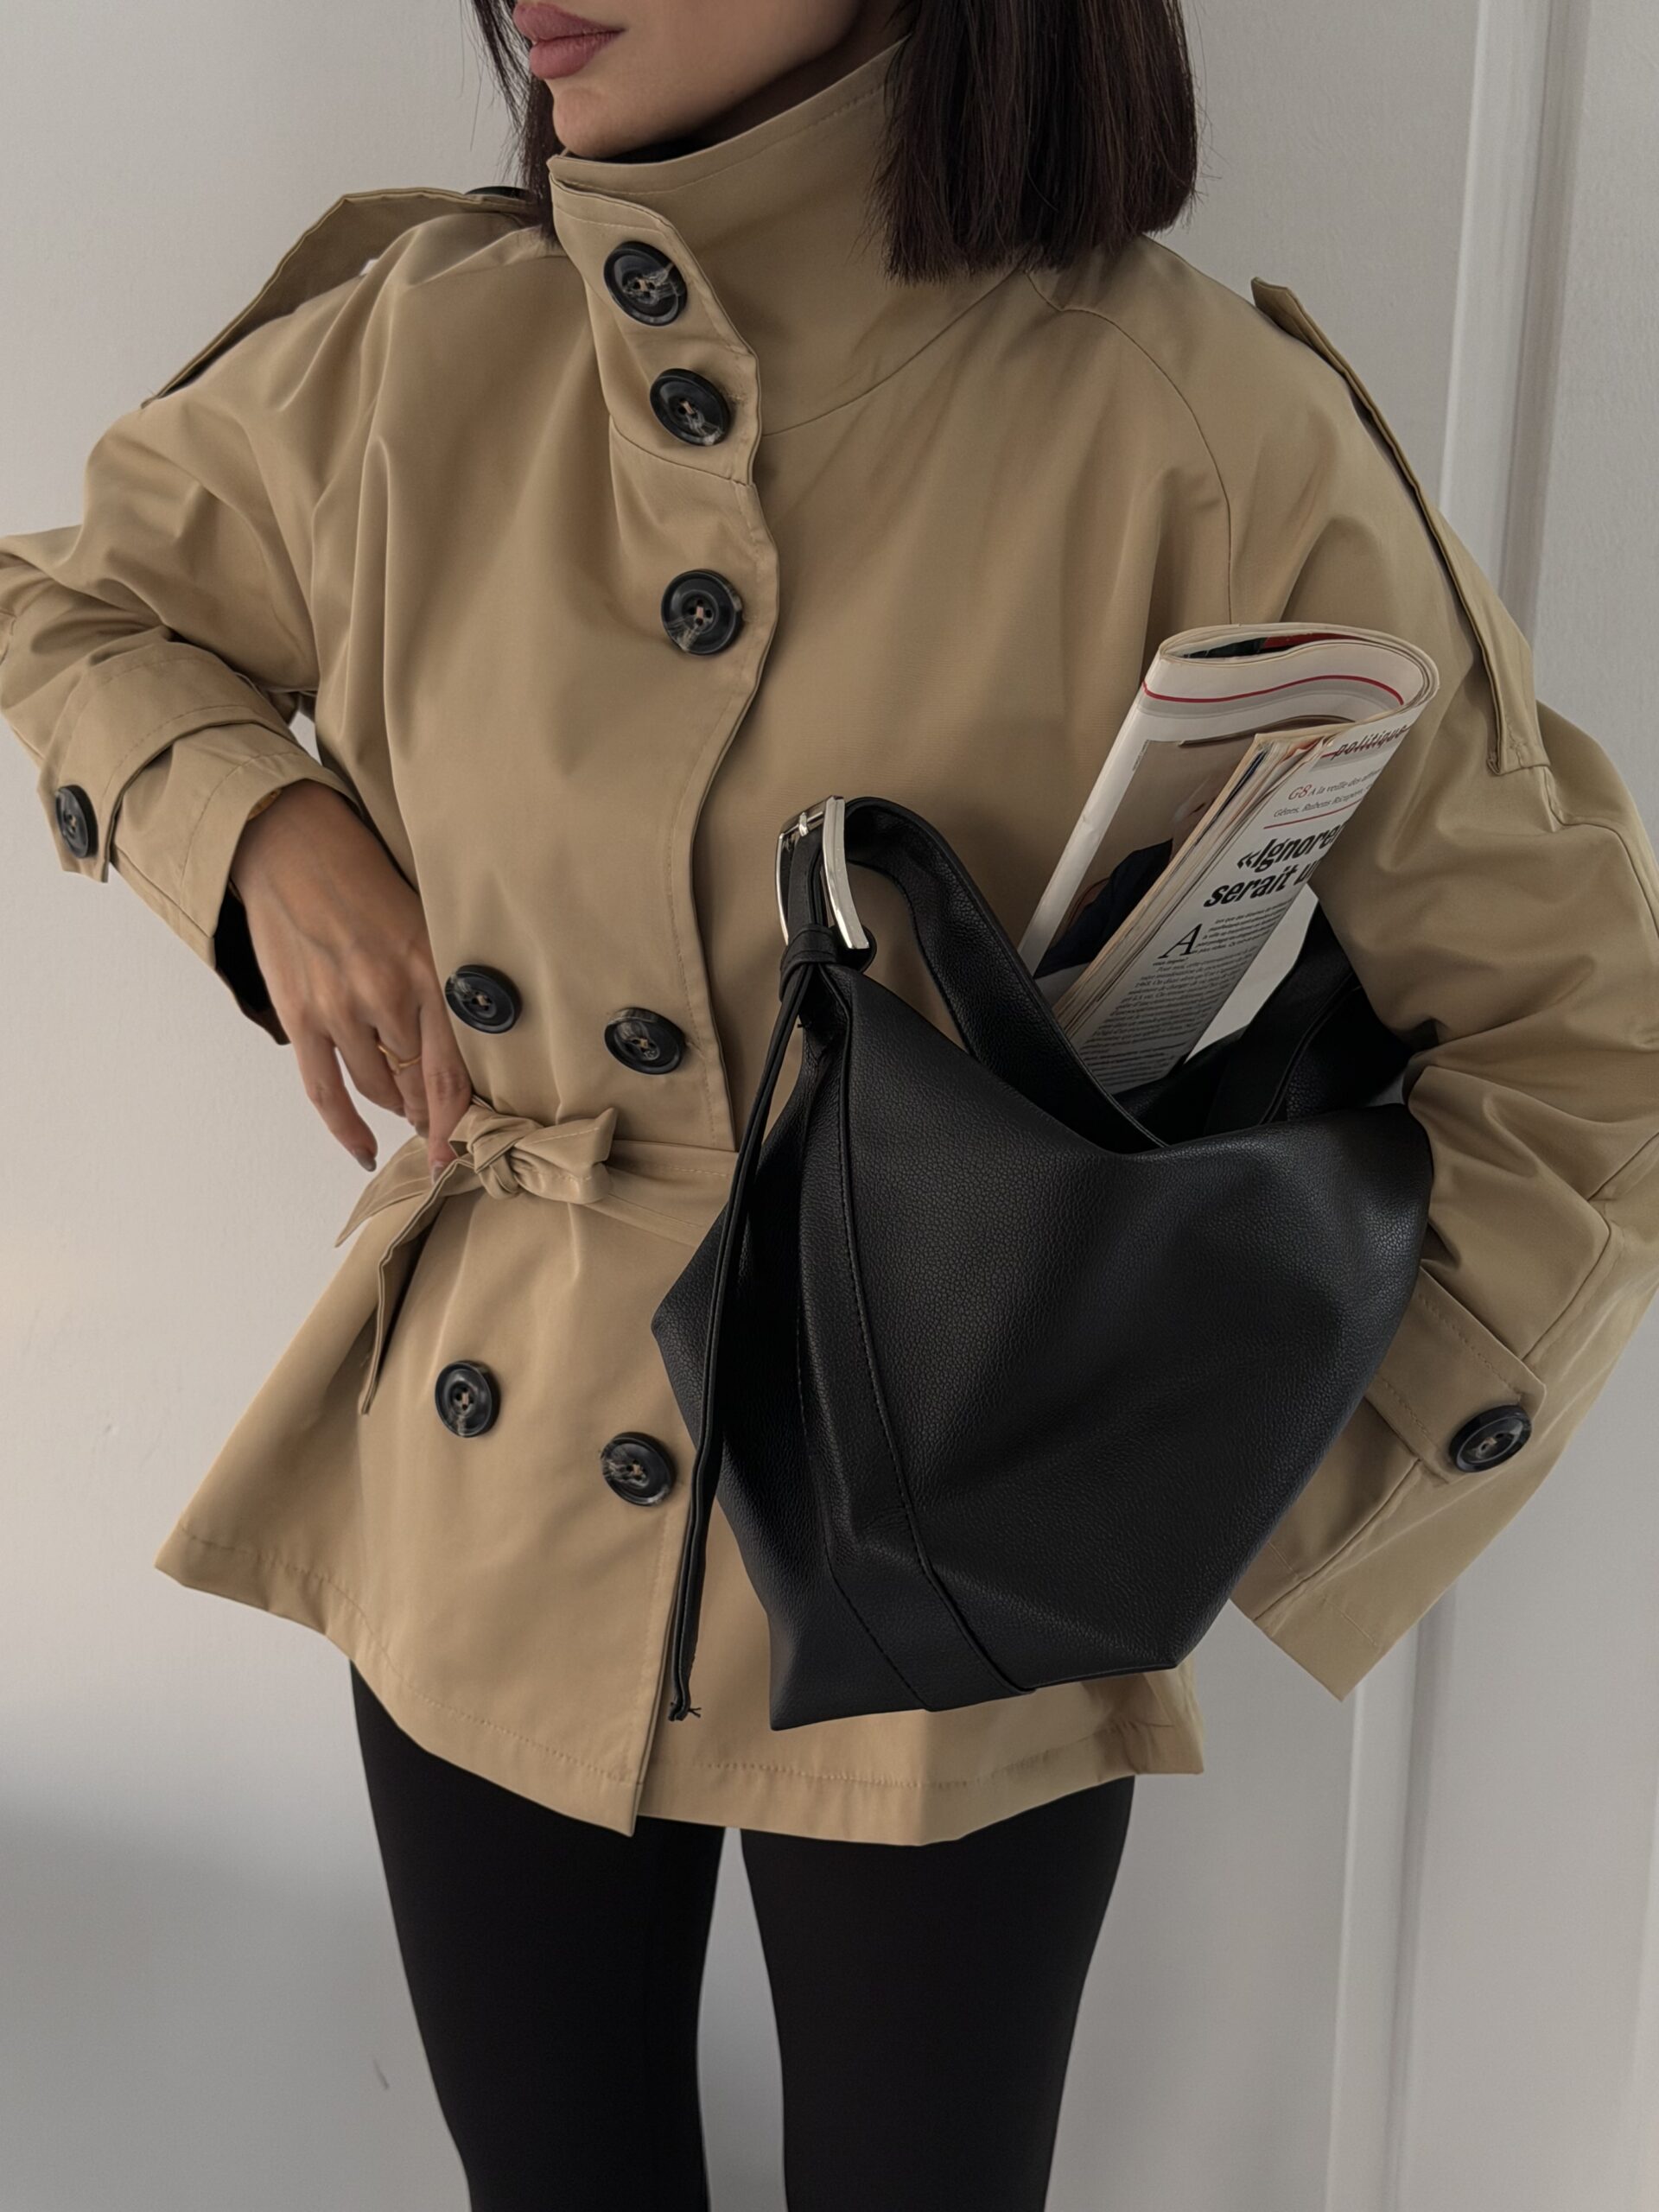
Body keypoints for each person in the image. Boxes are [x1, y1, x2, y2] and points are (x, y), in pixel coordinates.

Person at [4, 3, 1657, 2206]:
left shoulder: (1192, 421)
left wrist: (1212, 1467)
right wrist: (257, 829)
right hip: (489, 1479)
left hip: (961, 1497)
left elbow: (1584, 1025)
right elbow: (73, 606)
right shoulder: (407, 352)